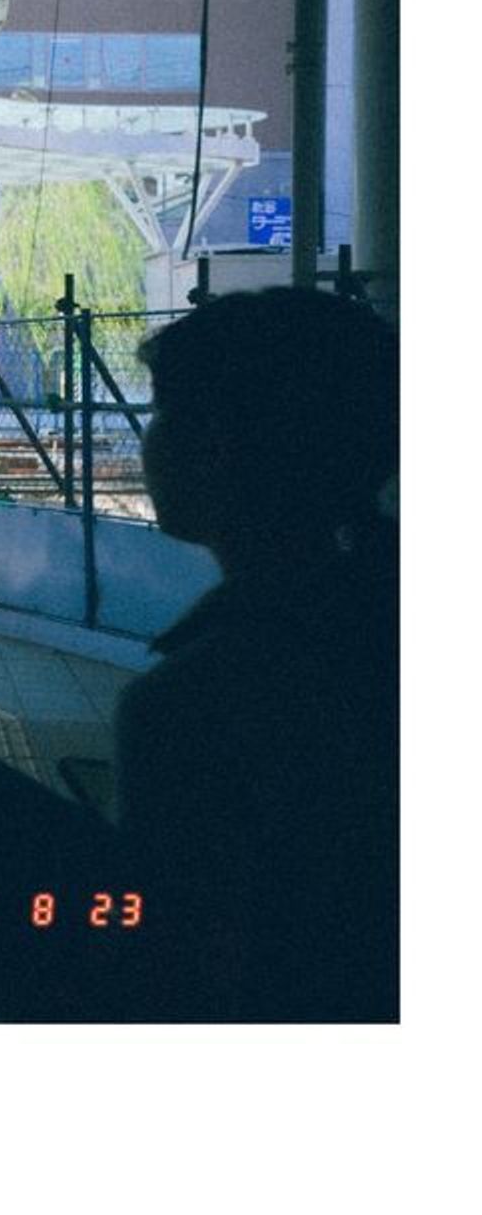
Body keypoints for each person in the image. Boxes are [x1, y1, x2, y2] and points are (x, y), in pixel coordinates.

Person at [107, 286, 399, 1021]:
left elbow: (167, 984)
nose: (151, 439)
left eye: (166, 412)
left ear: (223, 446)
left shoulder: (200, 703)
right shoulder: (372, 624)